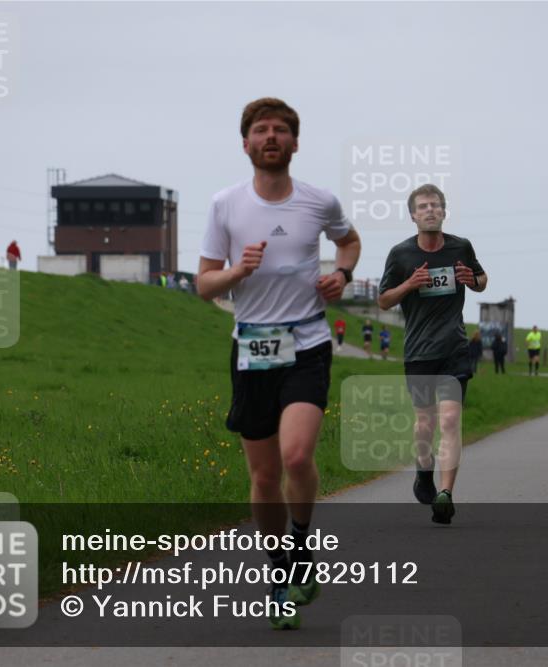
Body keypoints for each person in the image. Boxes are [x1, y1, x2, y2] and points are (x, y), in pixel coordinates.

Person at [196, 97, 361, 629]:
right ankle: (278, 573)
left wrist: (342, 273)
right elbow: (203, 284)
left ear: (294, 143)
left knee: (294, 457)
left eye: (281, 130)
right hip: (251, 347)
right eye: (261, 130)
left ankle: (302, 543)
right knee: (264, 477)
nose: (271, 137)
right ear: (245, 144)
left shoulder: (318, 201)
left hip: (308, 342)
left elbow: (349, 240)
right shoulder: (225, 204)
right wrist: (236, 273)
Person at [378, 183, 487, 525]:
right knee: (425, 424)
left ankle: (445, 494)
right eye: (423, 206)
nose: (430, 210)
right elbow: (383, 300)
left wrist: (474, 280)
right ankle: (423, 472)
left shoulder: (460, 246)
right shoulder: (401, 254)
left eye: (435, 205)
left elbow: (482, 279)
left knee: (451, 420)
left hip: (455, 348)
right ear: (413, 215)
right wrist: (410, 284)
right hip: (420, 352)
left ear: (443, 211)